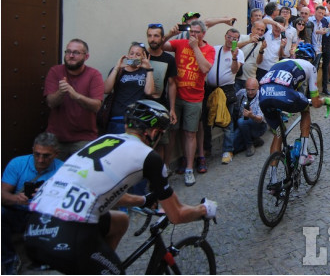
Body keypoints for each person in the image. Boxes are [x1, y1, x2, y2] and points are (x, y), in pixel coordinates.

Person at [24, 100, 217, 275]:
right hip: (69, 234)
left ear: (127, 125)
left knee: (120, 220)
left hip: (34, 226)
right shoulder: (149, 157)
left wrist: (142, 200)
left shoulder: (104, 140)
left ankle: (100, 263)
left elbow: (98, 190)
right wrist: (204, 210)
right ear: (153, 132)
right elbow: (176, 215)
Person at [258, 44, 330, 190]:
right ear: (311, 59)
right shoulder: (310, 67)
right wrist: (325, 101)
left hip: (264, 96)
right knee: (305, 110)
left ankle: (273, 180)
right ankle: (304, 153)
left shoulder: (280, 63)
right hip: (283, 94)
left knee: (279, 131)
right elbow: (315, 102)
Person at [1, 133, 63, 274]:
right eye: (37, 154)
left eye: (46, 156)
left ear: (56, 154)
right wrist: (16, 198)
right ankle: (8, 259)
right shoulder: (17, 163)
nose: (40, 160)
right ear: (33, 150)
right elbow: (2, 194)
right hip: (17, 208)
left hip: (42, 212)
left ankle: (45, 258)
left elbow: (64, 202)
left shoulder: (62, 170)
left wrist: (45, 198)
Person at [162, 20, 214, 187]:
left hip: (194, 99)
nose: (193, 35)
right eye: (191, 32)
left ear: (203, 34)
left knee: (190, 133)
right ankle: (165, 167)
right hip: (176, 97)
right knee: (172, 133)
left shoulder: (209, 49)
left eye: (197, 32)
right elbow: (160, 46)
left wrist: (195, 47)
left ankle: (189, 170)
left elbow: (205, 68)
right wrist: (170, 34)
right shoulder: (180, 43)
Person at [43, 39, 104, 160]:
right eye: (68, 52)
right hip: (56, 137)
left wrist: (75, 95)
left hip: (84, 137)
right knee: (53, 174)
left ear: (86, 56)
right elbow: (50, 103)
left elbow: (96, 106)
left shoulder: (94, 74)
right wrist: (61, 92)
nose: (71, 56)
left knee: (82, 175)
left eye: (76, 53)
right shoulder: (55, 71)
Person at [205, 28, 244, 165]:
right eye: (229, 37)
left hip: (227, 90)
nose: (231, 40)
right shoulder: (215, 49)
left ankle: (228, 150)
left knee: (227, 121)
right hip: (210, 89)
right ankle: (206, 148)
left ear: (237, 40)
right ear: (225, 36)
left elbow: (235, 70)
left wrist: (234, 57)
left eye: (234, 38)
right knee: (207, 120)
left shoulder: (239, 53)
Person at [103, 42, 155, 134]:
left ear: (143, 57)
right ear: (127, 55)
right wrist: (116, 68)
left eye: (138, 54)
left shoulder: (145, 72)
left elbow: (149, 91)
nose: (133, 56)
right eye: (131, 53)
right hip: (118, 117)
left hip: (137, 118)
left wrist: (149, 69)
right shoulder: (119, 70)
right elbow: (106, 90)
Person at [146, 24, 178, 166]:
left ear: (162, 38)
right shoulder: (141, 55)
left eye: (156, 36)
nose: (152, 39)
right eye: (150, 35)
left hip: (160, 106)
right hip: (142, 107)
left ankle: (159, 177)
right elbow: (127, 68)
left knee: (160, 144)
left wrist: (172, 108)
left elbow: (171, 84)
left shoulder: (169, 59)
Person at [232, 77, 267, 157]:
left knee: (241, 121)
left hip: (258, 126)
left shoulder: (261, 97)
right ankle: (255, 141)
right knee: (233, 147)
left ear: (258, 88)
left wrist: (252, 116)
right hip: (242, 125)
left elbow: (260, 119)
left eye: (253, 90)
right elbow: (234, 103)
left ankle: (249, 145)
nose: (250, 92)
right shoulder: (241, 93)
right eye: (248, 89)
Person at [235, 20, 266, 92]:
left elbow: (259, 62)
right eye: (258, 29)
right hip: (237, 76)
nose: (260, 32)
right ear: (252, 29)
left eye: (262, 30)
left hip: (250, 79)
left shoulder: (263, 44)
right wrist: (249, 41)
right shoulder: (242, 37)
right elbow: (233, 47)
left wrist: (261, 50)